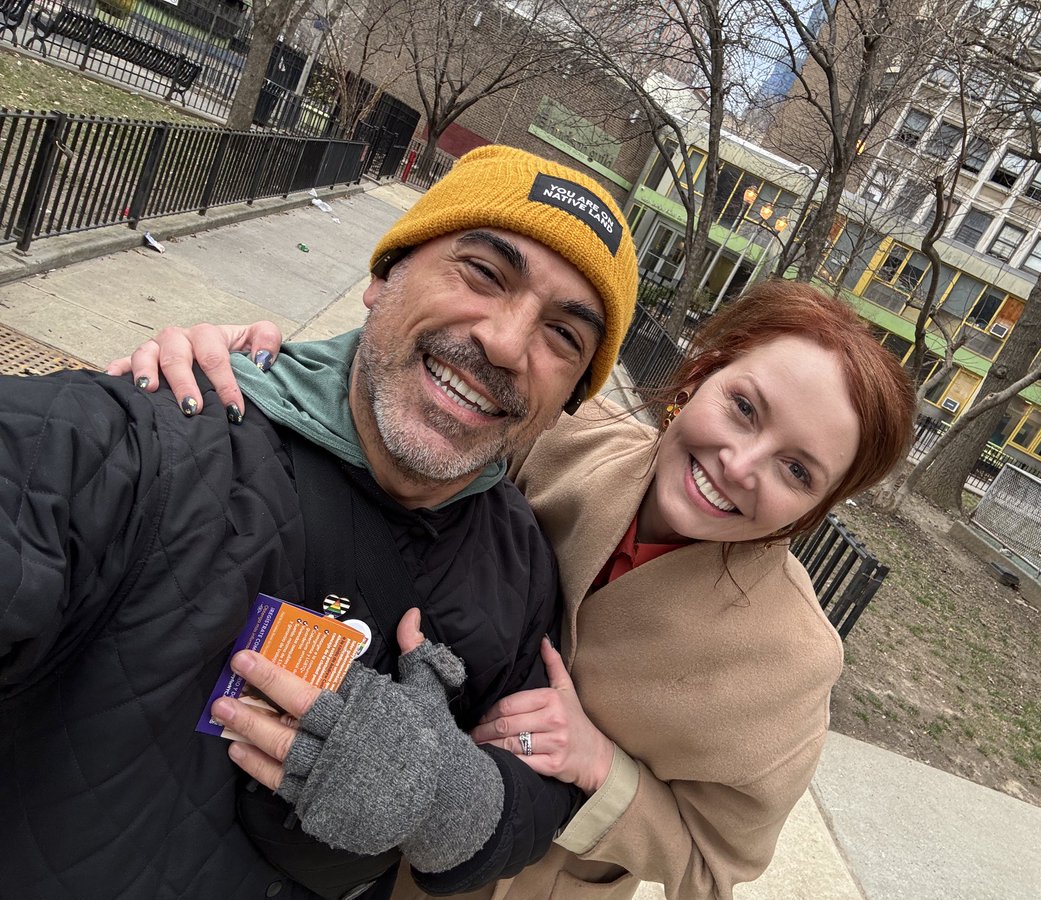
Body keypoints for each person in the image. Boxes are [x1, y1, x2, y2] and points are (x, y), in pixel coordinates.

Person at [128, 279, 915, 899]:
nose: (741, 466)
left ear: (818, 508)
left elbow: (716, 866)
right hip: (351, 850)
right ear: (699, 379)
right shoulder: (568, 439)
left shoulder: (792, 661)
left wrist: (605, 770)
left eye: (797, 470)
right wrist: (262, 366)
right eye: (744, 409)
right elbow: (411, 403)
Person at [0, 145, 639, 900]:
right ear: (382, 277)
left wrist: (445, 799)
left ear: (567, 402)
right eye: (484, 273)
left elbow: (540, 790)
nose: (505, 341)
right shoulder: (155, 436)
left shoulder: (522, 565)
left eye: (564, 336)